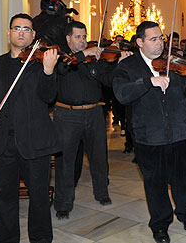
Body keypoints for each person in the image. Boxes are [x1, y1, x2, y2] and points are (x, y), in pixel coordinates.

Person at [0, 13, 61, 243]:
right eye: (17, 28)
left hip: (35, 142)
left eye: (27, 29)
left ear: (33, 35)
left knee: (39, 197)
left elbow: (49, 97)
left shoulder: (42, 63)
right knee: (4, 197)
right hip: (2, 142)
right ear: (9, 33)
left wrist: (49, 71)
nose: (21, 32)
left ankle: (40, 239)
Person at [113, 21, 186, 243]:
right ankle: (160, 224)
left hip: (181, 132)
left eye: (161, 38)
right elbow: (122, 94)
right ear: (139, 42)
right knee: (155, 184)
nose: (160, 43)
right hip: (149, 136)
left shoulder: (174, 62)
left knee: (184, 180)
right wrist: (148, 81)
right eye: (153, 39)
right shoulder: (128, 67)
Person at [53, 21, 130, 220]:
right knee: (65, 161)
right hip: (67, 115)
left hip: (94, 112)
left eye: (84, 37)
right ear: (68, 39)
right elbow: (62, 68)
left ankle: (102, 193)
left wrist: (118, 64)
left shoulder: (95, 59)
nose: (82, 41)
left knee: (99, 157)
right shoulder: (60, 57)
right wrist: (84, 54)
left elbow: (108, 81)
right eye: (78, 37)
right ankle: (63, 203)